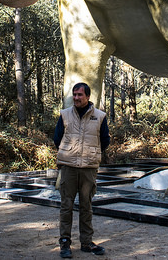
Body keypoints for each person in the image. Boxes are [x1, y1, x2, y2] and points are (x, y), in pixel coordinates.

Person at [53, 82, 110, 258]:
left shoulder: (100, 116)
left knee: (87, 206)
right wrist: (69, 153)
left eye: (80, 95)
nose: (76, 98)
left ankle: (86, 242)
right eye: (74, 94)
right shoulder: (64, 115)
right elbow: (57, 138)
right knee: (66, 205)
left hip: (88, 168)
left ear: (88, 96)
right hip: (68, 167)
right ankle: (65, 243)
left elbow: (105, 140)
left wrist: (90, 153)